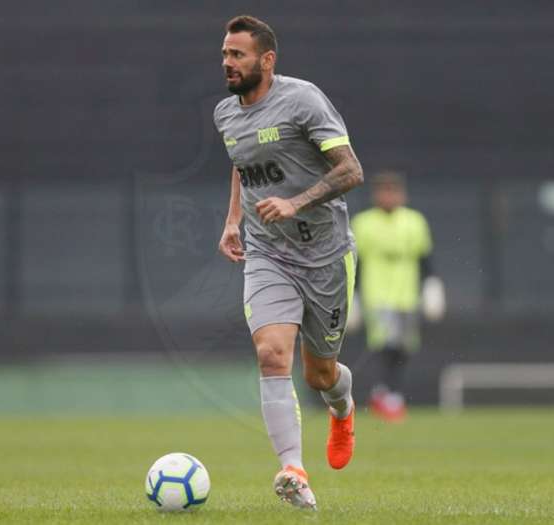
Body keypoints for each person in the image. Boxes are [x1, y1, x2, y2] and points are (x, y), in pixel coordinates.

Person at [214, 15, 363, 511]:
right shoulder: (225, 114)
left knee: (319, 374)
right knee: (272, 355)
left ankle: (342, 407)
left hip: (325, 254)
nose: (228, 63)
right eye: (225, 54)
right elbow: (242, 160)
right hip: (267, 253)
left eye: (238, 54)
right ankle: (294, 470)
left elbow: (350, 170)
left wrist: (296, 203)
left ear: (267, 60)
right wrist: (233, 220)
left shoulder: (303, 100)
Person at [350, 171, 445, 422]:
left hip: (407, 296)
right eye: (384, 191)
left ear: (402, 194)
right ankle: (387, 394)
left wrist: (432, 285)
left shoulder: (414, 222)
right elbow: (355, 264)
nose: (389, 196)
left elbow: (424, 257)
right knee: (386, 344)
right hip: (377, 296)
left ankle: (388, 393)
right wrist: (353, 297)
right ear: (375, 195)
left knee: (405, 347)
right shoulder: (363, 223)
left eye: (393, 191)